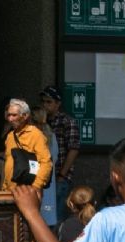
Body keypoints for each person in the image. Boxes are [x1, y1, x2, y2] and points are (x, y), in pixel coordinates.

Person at [40, 86, 80, 219]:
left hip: (59, 177)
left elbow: (73, 150)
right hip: (44, 177)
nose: (45, 105)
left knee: (57, 216)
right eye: (43, 102)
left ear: (58, 104)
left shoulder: (67, 122)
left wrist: (62, 175)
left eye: (49, 102)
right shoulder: (41, 123)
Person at [2, 99, 52, 191]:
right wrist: (5, 187)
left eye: (14, 115)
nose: (10, 119)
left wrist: (36, 186)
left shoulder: (36, 134)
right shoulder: (10, 136)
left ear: (25, 116)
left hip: (27, 191)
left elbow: (46, 163)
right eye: (8, 115)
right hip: (10, 191)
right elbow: (9, 163)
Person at [31, 105, 59, 226]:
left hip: (34, 184)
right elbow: (56, 158)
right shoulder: (51, 136)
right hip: (48, 183)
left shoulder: (31, 137)